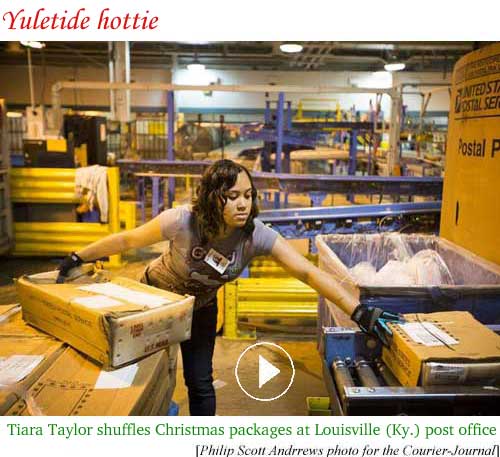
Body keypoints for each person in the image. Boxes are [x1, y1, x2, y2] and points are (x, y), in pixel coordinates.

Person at [57, 159, 400, 415]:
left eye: (248, 195)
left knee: (200, 383)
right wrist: (78, 255)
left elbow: (308, 274)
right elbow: (127, 239)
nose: (242, 203)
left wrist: (358, 310)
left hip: (200, 309)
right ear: (212, 197)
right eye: (232, 195)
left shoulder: (255, 236)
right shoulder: (182, 221)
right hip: (154, 301)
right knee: (138, 377)